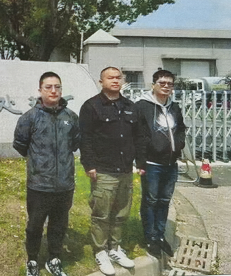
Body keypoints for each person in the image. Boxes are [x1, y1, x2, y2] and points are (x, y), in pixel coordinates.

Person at [79, 67, 145, 276]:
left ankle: (115, 248)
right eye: (110, 78)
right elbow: (85, 138)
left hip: (125, 169)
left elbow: (138, 137)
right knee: (101, 214)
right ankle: (100, 251)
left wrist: (140, 162)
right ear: (101, 81)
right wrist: (89, 165)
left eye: (118, 77)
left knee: (121, 212)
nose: (115, 81)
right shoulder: (91, 106)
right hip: (104, 170)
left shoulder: (130, 107)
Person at [13, 71, 80, 276]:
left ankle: (54, 258)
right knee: (35, 226)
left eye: (57, 87)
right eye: (48, 87)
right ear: (40, 90)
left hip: (64, 184)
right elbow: (20, 145)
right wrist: (40, 164)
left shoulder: (71, 117)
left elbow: (75, 143)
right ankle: (32, 260)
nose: (53, 91)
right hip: (39, 184)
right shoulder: (29, 117)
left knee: (59, 224)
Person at [136, 69, 186, 257]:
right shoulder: (142, 106)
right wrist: (141, 162)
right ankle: (150, 237)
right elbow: (138, 136)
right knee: (151, 200)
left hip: (171, 163)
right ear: (153, 85)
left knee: (164, 200)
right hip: (152, 163)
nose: (166, 87)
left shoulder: (174, 107)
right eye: (162, 83)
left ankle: (160, 235)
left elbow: (181, 129)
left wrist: (179, 145)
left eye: (170, 84)